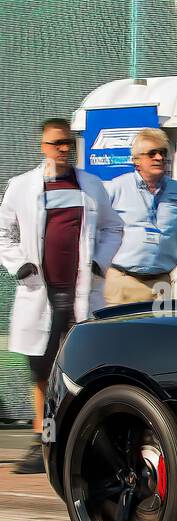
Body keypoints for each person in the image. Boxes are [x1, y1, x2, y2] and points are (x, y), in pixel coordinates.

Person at [0, 118, 122, 475]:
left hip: (80, 296)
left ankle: (81, 442)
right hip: (40, 295)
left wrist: (100, 261)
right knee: (42, 372)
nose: (63, 149)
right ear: (42, 146)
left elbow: (114, 226)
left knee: (80, 370)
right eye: (56, 143)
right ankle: (43, 441)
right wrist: (18, 263)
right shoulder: (21, 187)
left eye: (68, 142)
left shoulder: (92, 185)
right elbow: (3, 233)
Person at [105, 128, 177, 305]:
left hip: (160, 285)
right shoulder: (117, 188)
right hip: (122, 283)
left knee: (156, 333)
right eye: (152, 153)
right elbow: (99, 231)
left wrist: (164, 267)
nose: (159, 158)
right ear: (136, 161)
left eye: (163, 153)